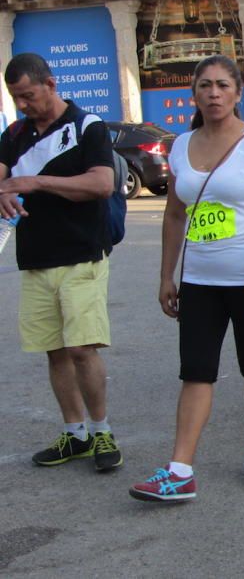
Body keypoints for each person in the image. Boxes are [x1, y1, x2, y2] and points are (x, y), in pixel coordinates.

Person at [129, 55, 244, 502]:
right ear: (194, 93)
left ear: (238, 93)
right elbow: (175, 214)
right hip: (199, 280)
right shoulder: (181, 145)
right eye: (205, 86)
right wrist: (167, 276)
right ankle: (180, 469)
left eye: (222, 85)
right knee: (196, 371)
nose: (213, 93)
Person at [0, 52, 123, 471]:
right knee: (53, 351)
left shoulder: (87, 127)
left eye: (29, 95)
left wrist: (37, 181)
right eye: (17, 97)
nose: (23, 105)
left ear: (51, 85)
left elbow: (103, 183)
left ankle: (102, 430)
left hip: (81, 254)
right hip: (35, 259)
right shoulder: (15, 132)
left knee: (81, 348)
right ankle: (75, 435)